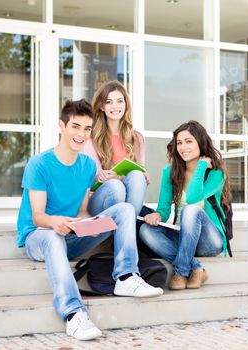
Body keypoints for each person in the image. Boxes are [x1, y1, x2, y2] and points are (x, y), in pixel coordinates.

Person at [16, 99, 163, 342]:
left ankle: (126, 276)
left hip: (71, 234)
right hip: (39, 235)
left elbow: (83, 211)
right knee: (53, 236)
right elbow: (38, 216)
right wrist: (56, 223)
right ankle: (74, 314)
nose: (81, 134)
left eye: (87, 129)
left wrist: (90, 225)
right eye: (75, 126)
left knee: (125, 209)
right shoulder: (39, 164)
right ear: (61, 126)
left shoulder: (86, 165)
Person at [139, 120, 232, 290]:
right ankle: (196, 268)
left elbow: (193, 197)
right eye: (179, 143)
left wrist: (202, 166)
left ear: (200, 143)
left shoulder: (216, 173)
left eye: (189, 141)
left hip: (210, 241)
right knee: (145, 230)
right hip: (182, 236)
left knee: (191, 210)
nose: (183, 147)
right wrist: (157, 215)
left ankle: (181, 271)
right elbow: (164, 210)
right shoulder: (170, 172)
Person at [81, 80, 148, 217]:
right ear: (101, 106)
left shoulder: (137, 138)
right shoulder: (91, 138)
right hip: (101, 198)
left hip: (128, 200)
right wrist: (116, 178)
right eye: (109, 102)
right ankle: (125, 225)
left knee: (137, 175)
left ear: (125, 104)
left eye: (119, 101)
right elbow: (97, 178)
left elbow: (140, 175)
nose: (115, 106)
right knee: (115, 186)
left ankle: (129, 224)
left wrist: (142, 178)